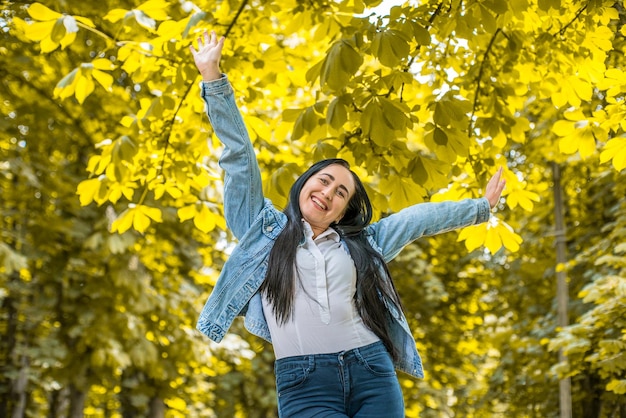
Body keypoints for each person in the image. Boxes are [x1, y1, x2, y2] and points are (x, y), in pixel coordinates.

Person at [190, 31, 506, 418]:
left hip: (371, 370)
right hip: (304, 384)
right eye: (323, 180)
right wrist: (213, 78)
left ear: (342, 212)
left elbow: (415, 220)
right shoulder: (262, 232)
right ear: (305, 183)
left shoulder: (361, 244)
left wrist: (480, 208)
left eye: (341, 193)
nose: (328, 192)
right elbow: (239, 157)